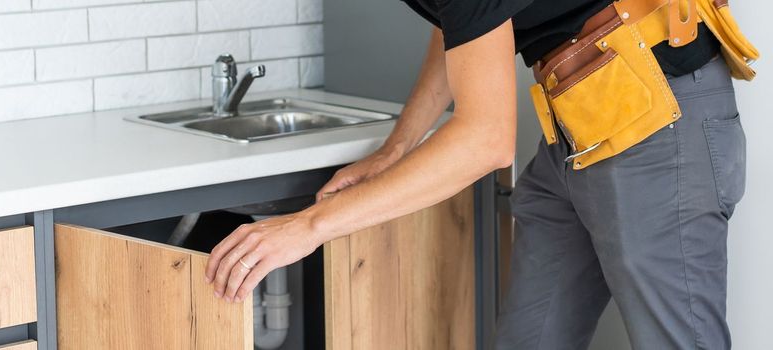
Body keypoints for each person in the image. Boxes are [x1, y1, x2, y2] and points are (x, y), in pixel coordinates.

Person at [204, 0, 753, 348]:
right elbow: (464, 26)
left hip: (659, 116)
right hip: (579, 122)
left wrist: (309, 227)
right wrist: (398, 147)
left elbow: (485, 142)